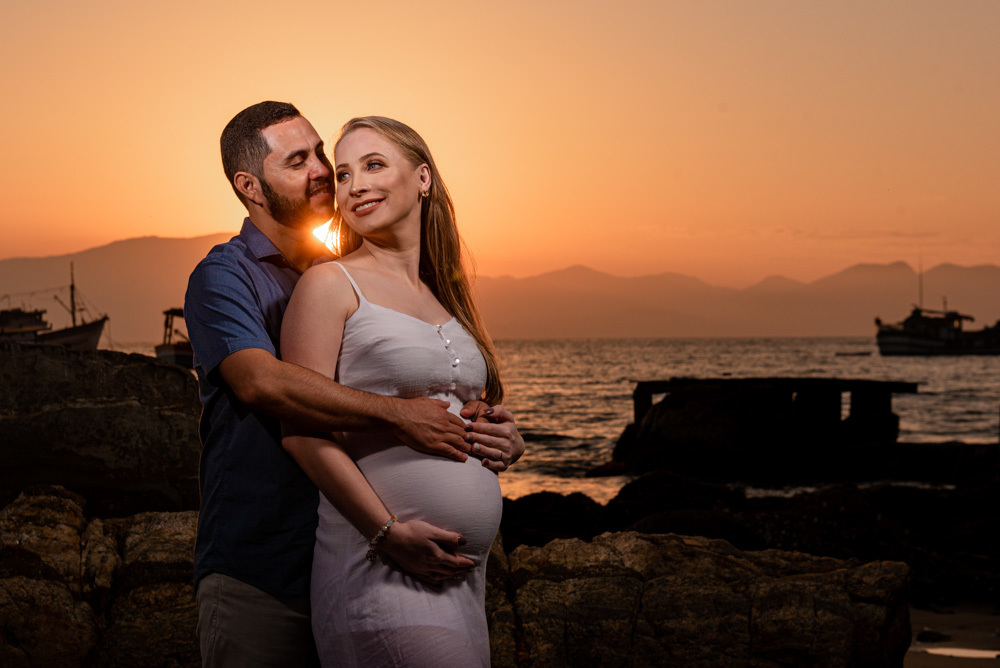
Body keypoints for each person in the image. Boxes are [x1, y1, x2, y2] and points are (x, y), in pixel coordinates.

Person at [184, 102, 524, 667]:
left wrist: (495, 432)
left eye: (323, 155)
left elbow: (423, 384)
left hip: (346, 544)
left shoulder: (344, 267)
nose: (323, 171)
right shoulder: (227, 274)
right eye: (300, 160)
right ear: (251, 186)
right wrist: (398, 417)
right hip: (262, 559)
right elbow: (263, 384)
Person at [280, 116, 507, 667]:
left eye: (373, 165)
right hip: (380, 567)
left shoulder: (445, 295)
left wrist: (502, 436)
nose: (354, 185)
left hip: (461, 585)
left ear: (423, 177)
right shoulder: (330, 283)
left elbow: (464, 404)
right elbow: (301, 431)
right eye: (343, 173)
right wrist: (386, 534)